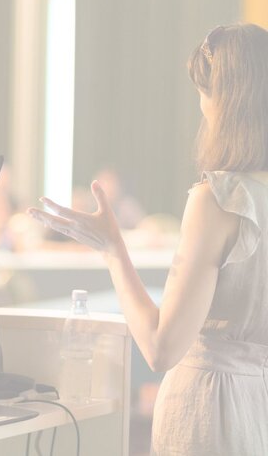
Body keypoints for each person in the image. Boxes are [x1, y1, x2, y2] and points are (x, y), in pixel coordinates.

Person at [27, 23, 268, 455]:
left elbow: (160, 348)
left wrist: (112, 250)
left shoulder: (218, 200)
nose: (201, 106)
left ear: (226, 102)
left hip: (210, 410)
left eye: (204, 92)